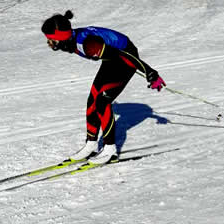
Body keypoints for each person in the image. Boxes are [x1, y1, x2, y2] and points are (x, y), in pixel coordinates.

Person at [41, 10, 166, 164]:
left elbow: (125, 56)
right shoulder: (71, 41)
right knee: (92, 101)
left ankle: (110, 150)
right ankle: (90, 145)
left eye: (51, 39)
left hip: (125, 58)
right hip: (111, 60)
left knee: (102, 102)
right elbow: (109, 55)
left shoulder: (88, 44)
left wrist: (150, 72)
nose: (49, 43)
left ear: (61, 38)